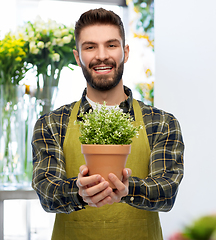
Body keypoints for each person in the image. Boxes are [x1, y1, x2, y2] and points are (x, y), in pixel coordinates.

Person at [31, 8, 184, 240]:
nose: (101, 55)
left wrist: (127, 189)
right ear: (77, 56)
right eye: (90, 47)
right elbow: (47, 192)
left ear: (125, 52)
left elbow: (166, 191)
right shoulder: (52, 124)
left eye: (111, 45)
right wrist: (80, 192)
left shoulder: (161, 122)